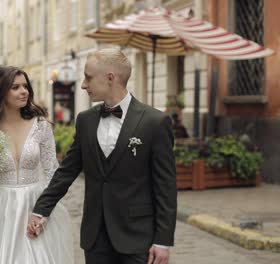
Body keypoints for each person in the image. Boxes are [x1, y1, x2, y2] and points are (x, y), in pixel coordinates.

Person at [29, 48, 177, 264]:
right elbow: (67, 171)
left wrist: (163, 241)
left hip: (137, 237)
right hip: (95, 237)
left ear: (110, 78)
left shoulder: (154, 122)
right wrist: (41, 210)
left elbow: (165, 186)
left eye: (88, 77)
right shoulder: (85, 120)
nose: (83, 85)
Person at [0, 65, 73, 264]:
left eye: (25, 86)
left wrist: (43, 213)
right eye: (15, 87)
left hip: (35, 205)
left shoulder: (41, 125)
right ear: (0, 91)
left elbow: (52, 172)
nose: (24, 91)